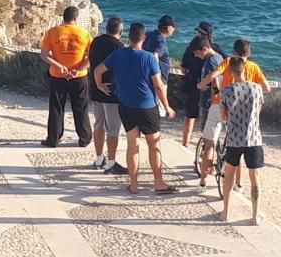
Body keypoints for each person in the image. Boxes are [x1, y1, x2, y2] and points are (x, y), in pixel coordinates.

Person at [94, 22, 177, 195]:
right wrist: (167, 106)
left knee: (133, 146)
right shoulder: (148, 58)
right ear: (144, 38)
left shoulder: (117, 55)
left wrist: (100, 85)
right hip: (147, 107)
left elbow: (98, 69)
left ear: (128, 37)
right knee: (154, 145)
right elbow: (159, 85)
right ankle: (158, 182)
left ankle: (134, 184)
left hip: (126, 106)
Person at [198, 38, 270, 192]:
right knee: (239, 146)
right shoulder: (254, 67)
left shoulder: (229, 61)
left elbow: (213, 75)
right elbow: (267, 88)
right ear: (249, 53)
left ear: (234, 52)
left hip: (220, 104)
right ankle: (238, 185)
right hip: (241, 110)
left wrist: (201, 85)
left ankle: (203, 182)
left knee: (209, 144)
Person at [219, 57, 265, 225]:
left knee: (229, 175)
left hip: (234, 139)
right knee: (254, 177)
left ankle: (226, 212)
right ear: (244, 69)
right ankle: (254, 216)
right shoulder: (256, 89)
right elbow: (258, 111)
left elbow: (222, 116)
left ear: (231, 71)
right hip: (253, 138)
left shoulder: (226, 91)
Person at [40, 6, 93, 148]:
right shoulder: (85, 33)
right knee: (81, 107)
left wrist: (59, 66)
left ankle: (53, 139)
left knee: (57, 107)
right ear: (75, 18)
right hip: (79, 76)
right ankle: (85, 138)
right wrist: (79, 69)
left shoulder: (52, 32)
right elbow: (92, 57)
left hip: (58, 75)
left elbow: (44, 55)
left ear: (63, 17)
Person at [87, 16, 127, 175]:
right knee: (113, 129)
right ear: (121, 31)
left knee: (98, 125)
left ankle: (99, 158)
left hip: (96, 90)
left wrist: (97, 84)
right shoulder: (118, 47)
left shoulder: (96, 41)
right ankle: (111, 163)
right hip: (111, 92)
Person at [195, 36, 224, 189]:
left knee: (208, 140)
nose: (196, 56)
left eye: (197, 53)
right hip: (218, 101)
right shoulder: (219, 57)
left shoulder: (211, 60)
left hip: (209, 102)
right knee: (215, 138)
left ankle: (206, 172)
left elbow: (213, 79)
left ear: (204, 49)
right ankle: (214, 164)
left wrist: (202, 85)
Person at [180, 35, 205, 147]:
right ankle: (204, 145)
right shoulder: (215, 50)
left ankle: (186, 143)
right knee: (203, 117)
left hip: (194, 84)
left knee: (190, 115)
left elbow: (183, 69)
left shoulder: (190, 48)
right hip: (204, 86)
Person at [143, 15, 176, 85]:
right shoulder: (161, 41)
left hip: (145, 77)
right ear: (169, 28)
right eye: (173, 27)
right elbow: (155, 56)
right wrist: (157, 79)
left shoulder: (149, 34)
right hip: (158, 81)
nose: (174, 29)